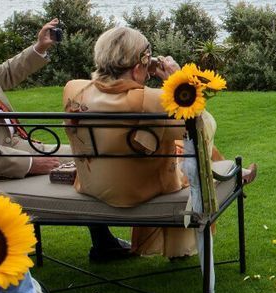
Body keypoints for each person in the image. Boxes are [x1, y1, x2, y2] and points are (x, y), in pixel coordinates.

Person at [0, 3, 130, 262]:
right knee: (86, 159)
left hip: (18, 144)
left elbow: (6, 74)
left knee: (89, 153)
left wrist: (40, 47)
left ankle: (104, 242)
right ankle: (105, 242)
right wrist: (32, 164)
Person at [63, 26, 256, 258]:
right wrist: (177, 81)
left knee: (170, 143)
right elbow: (202, 126)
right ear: (137, 68)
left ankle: (236, 171)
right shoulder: (150, 100)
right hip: (139, 190)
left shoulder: (73, 89)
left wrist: (140, 73)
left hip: (91, 183)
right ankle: (231, 173)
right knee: (190, 145)